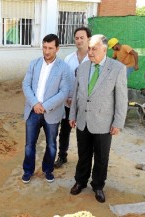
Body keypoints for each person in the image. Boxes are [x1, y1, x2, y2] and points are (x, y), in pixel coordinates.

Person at [69, 34, 127, 203]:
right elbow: (76, 93)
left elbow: (121, 98)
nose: (90, 52)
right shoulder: (83, 67)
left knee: (101, 157)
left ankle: (98, 185)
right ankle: (80, 182)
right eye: (89, 48)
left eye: (94, 48)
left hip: (104, 122)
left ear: (104, 48)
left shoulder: (117, 68)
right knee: (83, 154)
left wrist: (118, 122)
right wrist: (72, 114)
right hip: (83, 120)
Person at [21, 34, 74, 184]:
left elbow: (64, 92)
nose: (46, 51)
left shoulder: (64, 68)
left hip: (52, 112)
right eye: (44, 47)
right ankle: (28, 171)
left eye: (50, 48)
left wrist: (45, 106)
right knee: (29, 144)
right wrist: (35, 104)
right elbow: (26, 85)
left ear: (57, 49)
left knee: (51, 144)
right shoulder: (34, 64)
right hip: (33, 111)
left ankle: (48, 170)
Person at [54, 26, 91, 169]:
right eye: (77, 38)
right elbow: (63, 80)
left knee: (84, 133)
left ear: (88, 39)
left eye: (82, 37)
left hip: (85, 105)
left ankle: (84, 160)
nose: (79, 40)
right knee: (64, 131)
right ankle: (62, 156)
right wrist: (66, 98)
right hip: (69, 103)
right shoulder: (69, 59)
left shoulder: (93, 58)